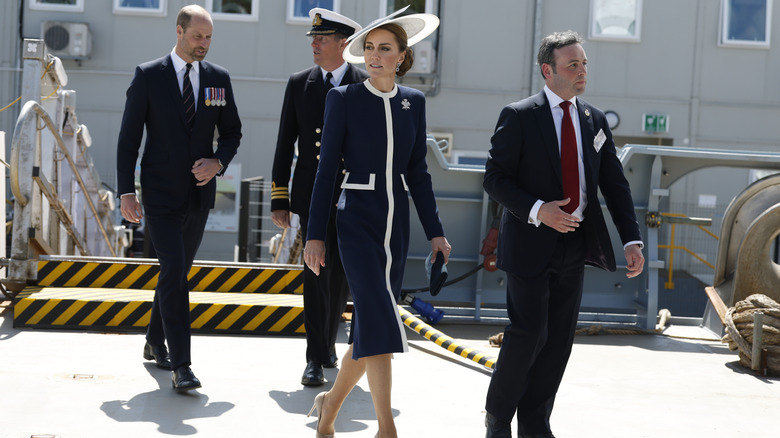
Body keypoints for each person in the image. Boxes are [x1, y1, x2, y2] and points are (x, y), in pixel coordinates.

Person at [482, 30, 645, 438]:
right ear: (547, 70)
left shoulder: (594, 119)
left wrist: (631, 239)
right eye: (573, 64)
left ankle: (535, 424)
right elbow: (495, 179)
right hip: (530, 241)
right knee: (528, 333)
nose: (582, 70)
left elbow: (614, 183)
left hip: (575, 244)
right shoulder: (519, 115)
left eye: (584, 63)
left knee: (558, 342)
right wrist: (540, 210)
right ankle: (498, 419)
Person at [303, 7, 448, 438]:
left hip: (395, 223)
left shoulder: (413, 102)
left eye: (385, 49)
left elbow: (418, 172)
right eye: (369, 48)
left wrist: (436, 231)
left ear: (402, 56)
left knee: (369, 325)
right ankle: (387, 429)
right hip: (357, 219)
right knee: (381, 318)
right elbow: (326, 170)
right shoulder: (343, 99)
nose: (375, 55)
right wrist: (314, 235)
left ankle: (329, 407)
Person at [116, 4, 242, 392]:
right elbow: (128, 138)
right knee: (173, 271)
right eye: (197, 36)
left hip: (200, 195)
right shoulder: (149, 75)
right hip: (159, 195)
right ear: (179, 32)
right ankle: (181, 365)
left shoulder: (218, 79)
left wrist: (217, 163)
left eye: (208, 38)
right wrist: (125, 191)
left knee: (175, 273)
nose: (203, 44)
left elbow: (233, 133)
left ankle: (154, 341)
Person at [271, 7, 369, 388]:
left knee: (343, 276)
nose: (314, 44)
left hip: (354, 196)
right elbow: (284, 142)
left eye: (322, 38)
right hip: (312, 195)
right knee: (315, 274)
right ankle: (314, 356)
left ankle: (329, 344)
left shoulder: (365, 82)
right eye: (313, 38)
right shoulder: (301, 82)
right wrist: (280, 198)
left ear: (343, 44)